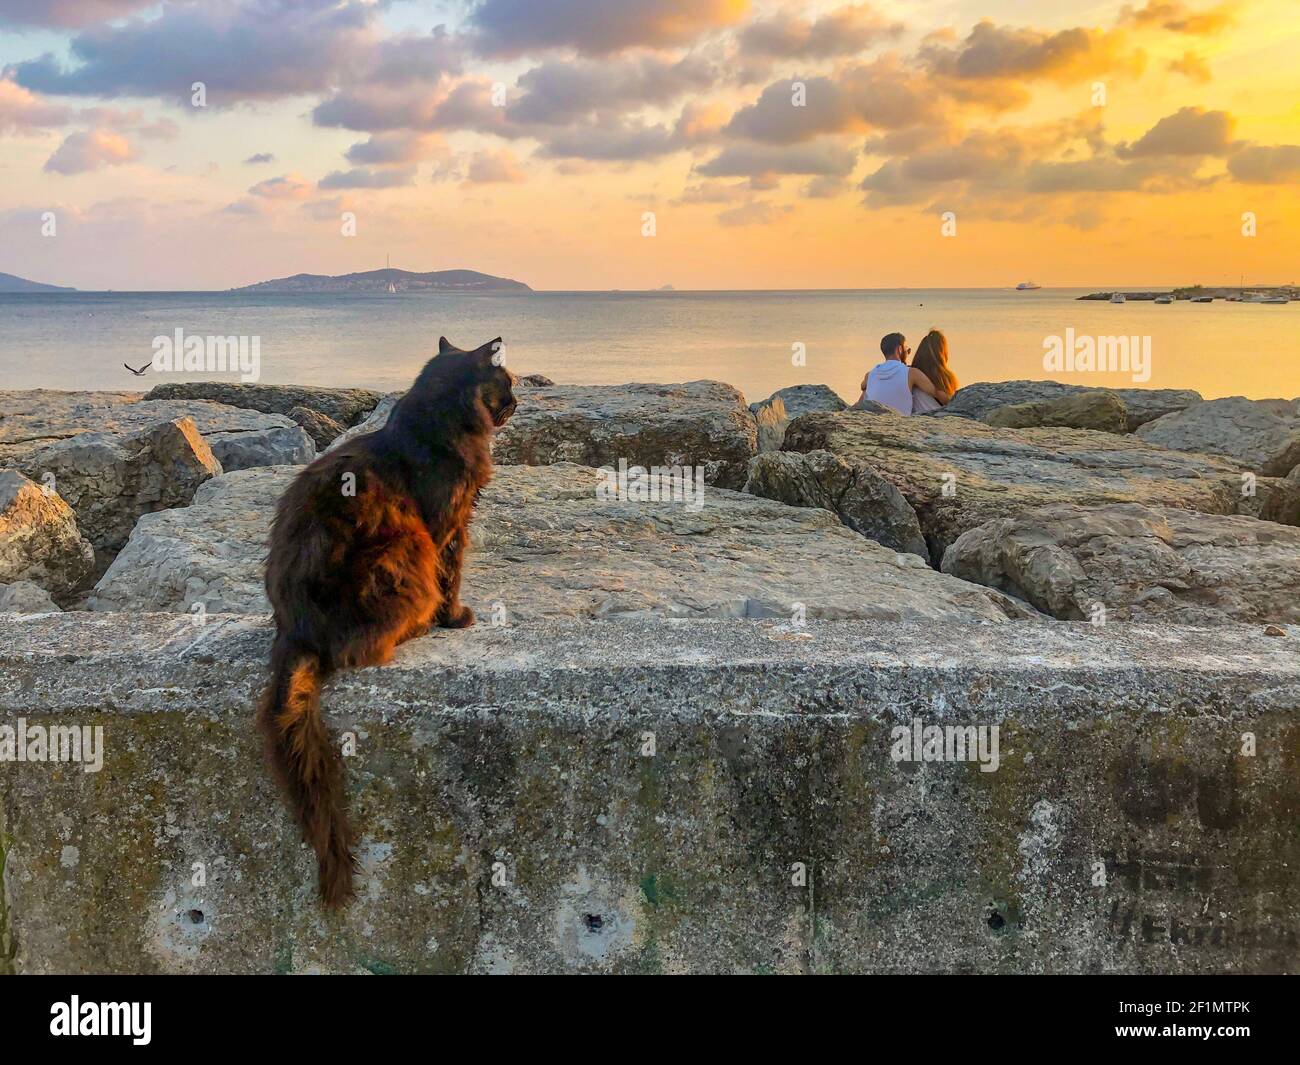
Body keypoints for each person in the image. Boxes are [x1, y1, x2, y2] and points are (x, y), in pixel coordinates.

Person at [859, 332, 949, 415]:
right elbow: (936, 393)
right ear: (900, 349)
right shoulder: (912, 373)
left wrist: (864, 386)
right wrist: (954, 404)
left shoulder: (870, 374)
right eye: (907, 350)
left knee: (866, 393)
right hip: (898, 421)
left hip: (875, 419)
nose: (908, 353)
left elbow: (862, 390)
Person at [909, 329, 958, 414]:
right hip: (940, 419)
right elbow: (951, 404)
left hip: (916, 419)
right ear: (942, 353)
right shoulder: (945, 378)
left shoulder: (910, 375)